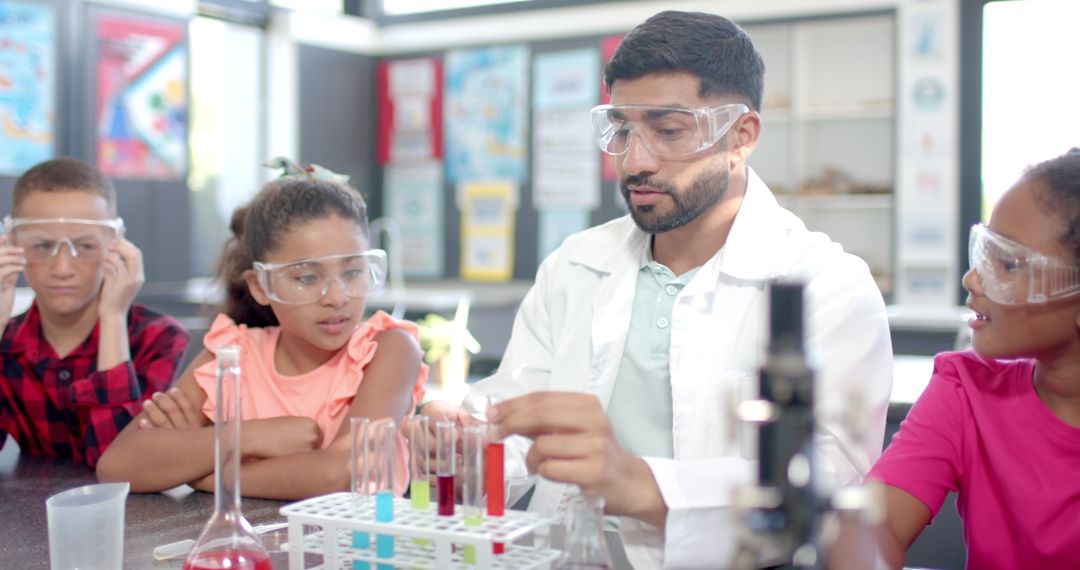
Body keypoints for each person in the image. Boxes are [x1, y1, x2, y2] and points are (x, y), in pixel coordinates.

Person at [418, 10, 893, 569]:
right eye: (622, 130)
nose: (635, 161)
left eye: (668, 131)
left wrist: (643, 486)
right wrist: (467, 445)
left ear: (741, 137)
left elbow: (827, 484)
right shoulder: (575, 265)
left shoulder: (828, 285)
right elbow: (518, 419)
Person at [97, 159, 427, 499]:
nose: (336, 297)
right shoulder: (233, 354)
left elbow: (341, 472)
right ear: (260, 285)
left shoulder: (388, 349)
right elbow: (119, 464)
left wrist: (206, 474)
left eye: (353, 272)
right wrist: (249, 436)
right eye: (307, 278)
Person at [868, 149, 1080, 569]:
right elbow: (877, 524)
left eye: (1009, 264)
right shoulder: (965, 389)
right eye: (984, 253)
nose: (973, 279)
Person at [0, 157, 189, 468]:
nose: (62, 269)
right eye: (43, 246)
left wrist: (113, 318)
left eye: (85, 246)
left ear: (115, 245)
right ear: (14, 245)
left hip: (136, 516)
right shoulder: (7, 340)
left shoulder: (161, 340)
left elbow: (121, 464)